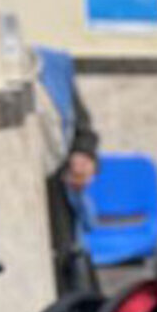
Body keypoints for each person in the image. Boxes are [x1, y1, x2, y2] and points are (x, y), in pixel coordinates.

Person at [31, 45, 103, 296]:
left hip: (58, 198)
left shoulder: (50, 66)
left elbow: (83, 131)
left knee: (70, 296)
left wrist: (83, 155)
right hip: (23, 197)